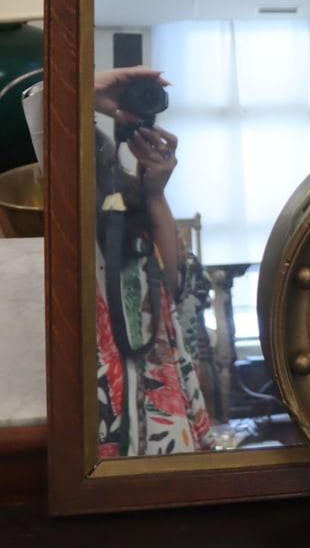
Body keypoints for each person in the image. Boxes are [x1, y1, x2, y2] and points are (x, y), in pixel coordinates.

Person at [93, 66, 211, 457]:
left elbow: (171, 290)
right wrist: (90, 93)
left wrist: (155, 194)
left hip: (153, 386)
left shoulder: (122, 195)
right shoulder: (49, 198)